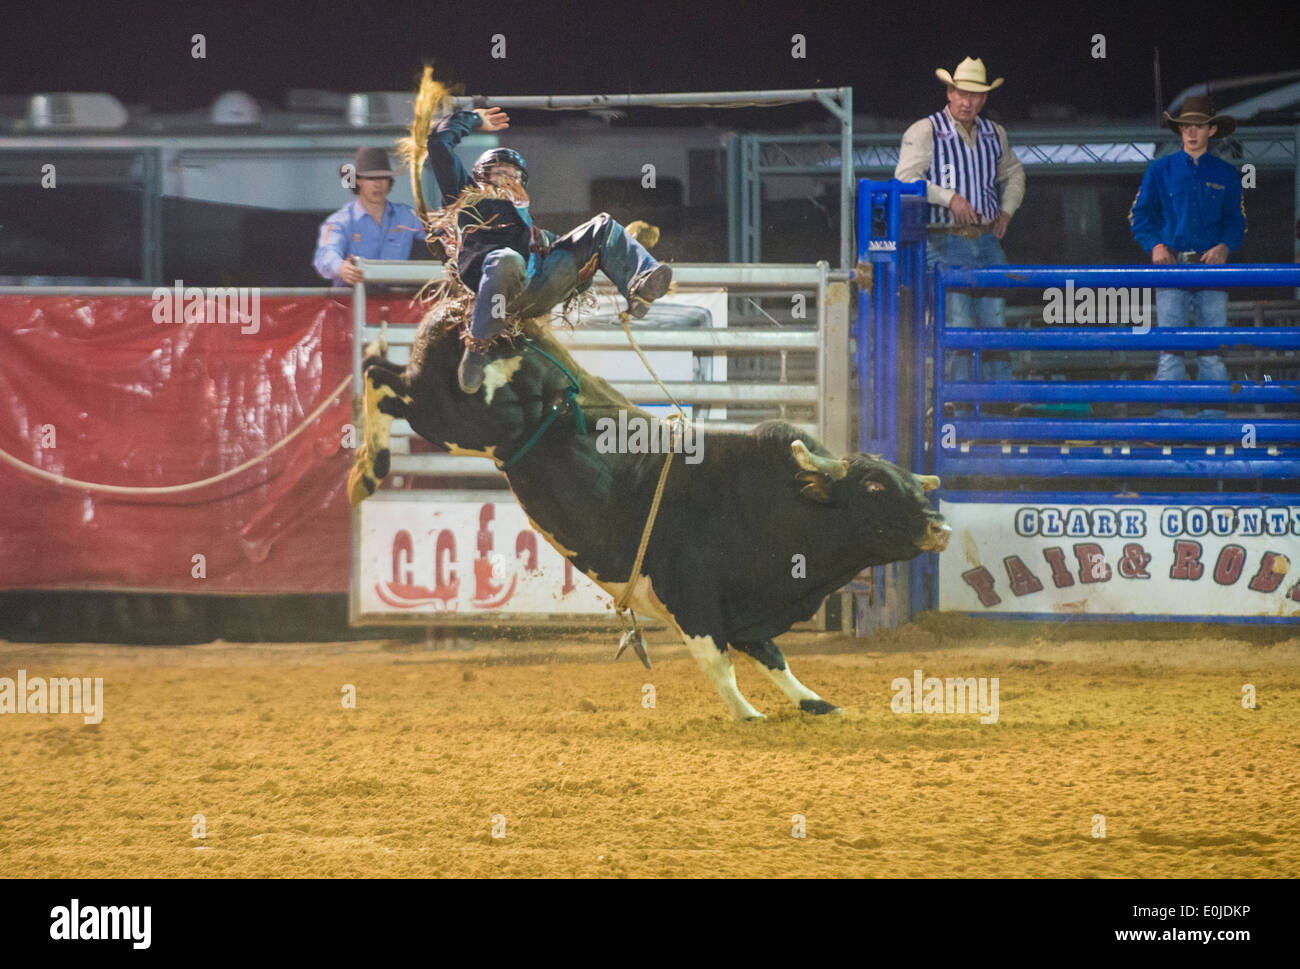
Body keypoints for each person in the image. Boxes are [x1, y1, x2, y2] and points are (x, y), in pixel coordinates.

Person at [426, 106, 672, 394]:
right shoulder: (463, 193)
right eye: (498, 173)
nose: (506, 178)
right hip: (491, 286)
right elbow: (438, 143)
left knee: (602, 226)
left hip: (536, 288)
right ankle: (477, 348)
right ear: (481, 177)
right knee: (506, 259)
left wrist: (606, 251)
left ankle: (640, 285)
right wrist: (472, 119)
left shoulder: (533, 231)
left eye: (513, 175)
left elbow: (568, 252)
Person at [895, 57, 1026, 400]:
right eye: (962, 93)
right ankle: (960, 407)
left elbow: (1014, 173)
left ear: (983, 99)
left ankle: (996, 406)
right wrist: (948, 197)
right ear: (950, 92)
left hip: (983, 239)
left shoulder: (993, 133)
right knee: (960, 325)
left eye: (975, 95)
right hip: (943, 240)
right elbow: (905, 179)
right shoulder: (925, 130)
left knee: (993, 323)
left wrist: (1007, 211)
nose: (968, 102)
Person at [1129, 97, 1246, 418]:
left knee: (1209, 351)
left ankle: (1212, 423)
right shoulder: (1160, 170)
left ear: (1211, 129)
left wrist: (1224, 246)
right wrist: (1155, 245)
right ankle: (1172, 424)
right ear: (1179, 130)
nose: (1191, 133)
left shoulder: (1226, 174)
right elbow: (1139, 217)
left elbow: (1236, 222)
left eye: (1197, 126)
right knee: (1171, 350)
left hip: (1211, 271)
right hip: (1172, 269)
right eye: (1185, 127)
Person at [314, 147, 426, 286]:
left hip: (393, 304)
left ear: (389, 180)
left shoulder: (407, 216)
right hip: (350, 304)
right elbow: (324, 255)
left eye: (383, 177)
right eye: (371, 178)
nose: (378, 184)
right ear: (358, 181)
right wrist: (341, 268)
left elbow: (438, 233)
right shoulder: (340, 221)